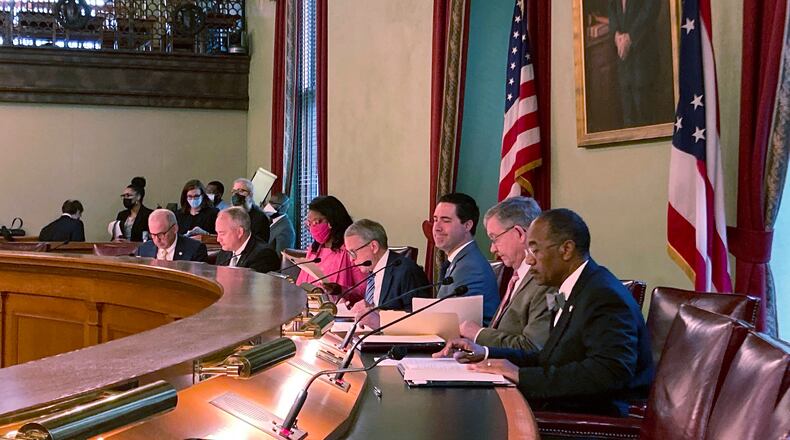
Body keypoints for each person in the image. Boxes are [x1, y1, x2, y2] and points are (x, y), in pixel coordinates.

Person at [435, 208, 653, 417]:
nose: (529, 260)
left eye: (535, 250)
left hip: (587, 417)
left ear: (566, 250)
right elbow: (550, 358)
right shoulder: (577, 287)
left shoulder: (603, 296)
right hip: (561, 405)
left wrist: (520, 375)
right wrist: (487, 353)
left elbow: (608, 373)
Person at [459, 197, 553, 351]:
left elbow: (532, 347)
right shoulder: (518, 278)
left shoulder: (544, 281)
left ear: (519, 233)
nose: (492, 249)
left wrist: (478, 333)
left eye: (494, 238)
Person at [344, 219, 430, 327]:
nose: (351, 259)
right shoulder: (373, 271)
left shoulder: (407, 271)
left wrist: (379, 316)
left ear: (374, 247)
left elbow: (420, 320)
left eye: (353, 252)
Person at [432, 193, 499, 325]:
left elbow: (452, 324)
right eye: (435, 220)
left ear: (467, 226)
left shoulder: (471, 267)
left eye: (445, 220)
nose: (437, 228)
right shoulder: (460, 261)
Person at [295, 195, 366, 305]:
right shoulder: (314, 250)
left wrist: (341, 290)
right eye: (309, 223)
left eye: (316, 222)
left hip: (339, 313)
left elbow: (364, 290)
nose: (312, 227)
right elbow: (300, 286)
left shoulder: (350, 250)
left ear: (331, 221)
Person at [608, 0, 661, 127]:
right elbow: (611, 9)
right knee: (628, 115)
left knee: (644, 113)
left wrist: (630, 37)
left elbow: (650, 10)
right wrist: (616, 35)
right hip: (623, 57)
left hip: (643, 56)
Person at [214, 207, 279, 273]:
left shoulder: (264, 255)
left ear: (239, 232)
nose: (218, 239)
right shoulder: (225, 251)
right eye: (217, 233)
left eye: (222, 233)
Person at [136, 209, 207, 262]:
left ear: (174, 229)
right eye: (153, 235)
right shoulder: (143, 250)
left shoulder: (195, 249)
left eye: (161, 235)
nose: (157, 240)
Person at [230, 178, 271, 243]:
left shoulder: (260, 217)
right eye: (234, 191)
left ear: (250, 194)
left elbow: (260, 244)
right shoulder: (230, 215)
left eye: (241, 191)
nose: (236, 194)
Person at [114, 177, 152, 242]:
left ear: (138, 197)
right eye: (124, 196)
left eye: (128, 195)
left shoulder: (149, 215)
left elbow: (150, 239)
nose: (125, 198)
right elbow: (115, 235)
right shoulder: (122, 215)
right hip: (122, 249)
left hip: (140, 250)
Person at [263, 192, 296, 256]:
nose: (269, 206)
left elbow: (280, 258)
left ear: (283, 206)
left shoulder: (286, 229)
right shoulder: (269, 222)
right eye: (269, 202)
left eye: (273, 203)